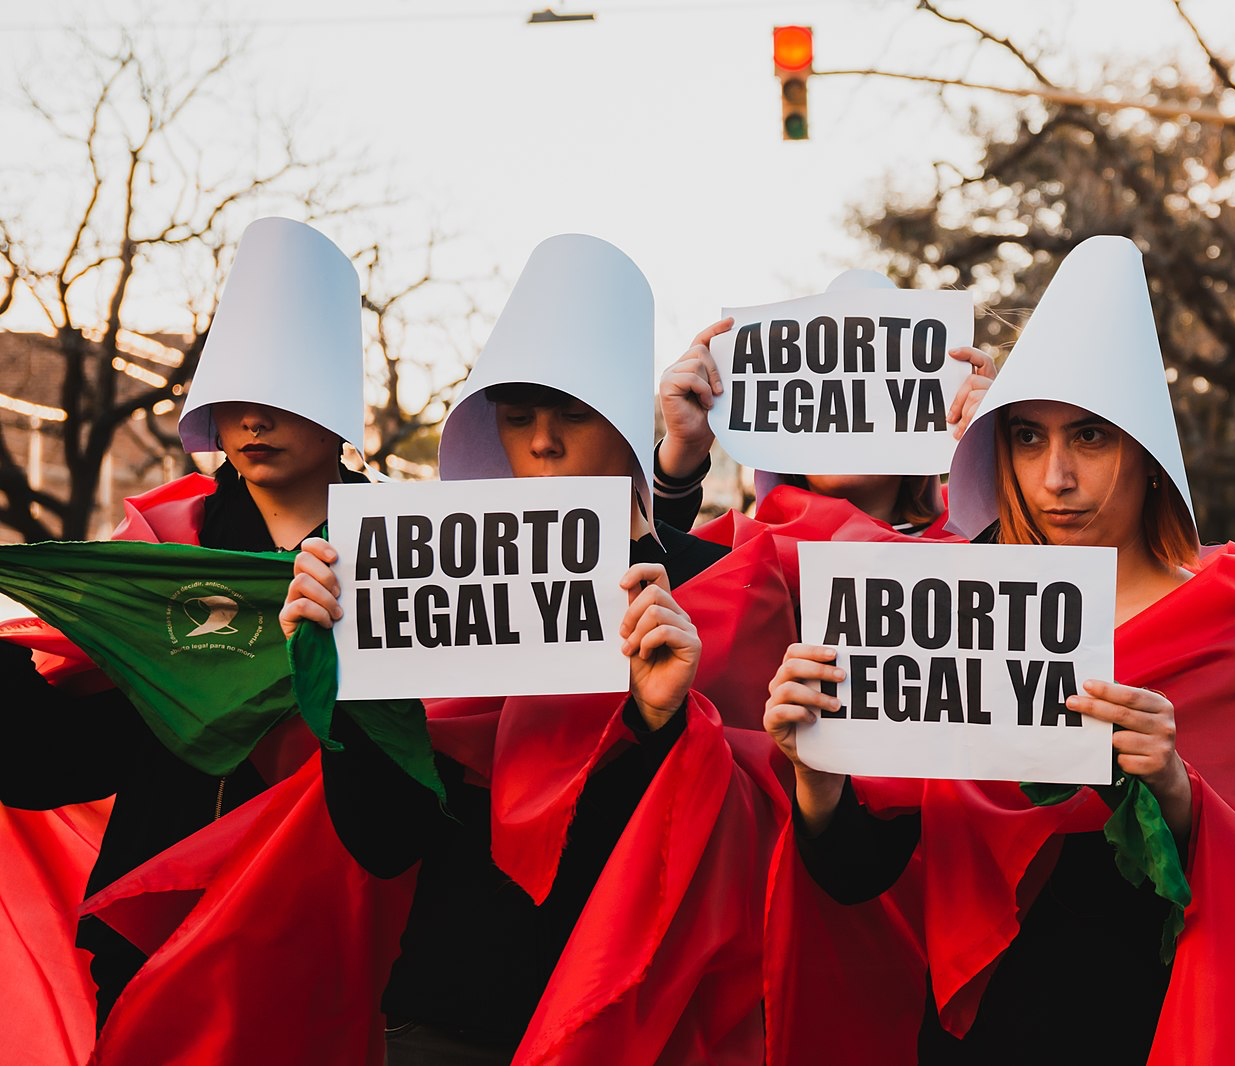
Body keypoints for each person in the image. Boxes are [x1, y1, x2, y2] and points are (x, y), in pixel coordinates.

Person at [760, 235, 1235, 1065]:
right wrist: (817, 774)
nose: (1056, 476)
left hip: (1148, 1028)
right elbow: (859, 871)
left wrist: (1174, 788)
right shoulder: (946, 603)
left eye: (1090, 439)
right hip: (968, 1038)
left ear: (1145, 456)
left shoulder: (1226, 625)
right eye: (1028, 438)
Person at [281, 233, 785, 1065]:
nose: (543, 443)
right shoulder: (425, 579)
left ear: (624, 423)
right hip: (445, 1022)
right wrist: (339, 679)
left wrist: (663, 725)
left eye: (572, 414)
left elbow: (737, 862)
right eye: (517, 419)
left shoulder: (718, 588)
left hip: (637, 1026)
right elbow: (383, 839)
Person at [0, 216, 367, 1029]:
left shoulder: (408, 557)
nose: (253, 416)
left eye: (282, 386)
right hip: (152, 958)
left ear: (336, 396)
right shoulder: (165, 552)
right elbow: (63, 756)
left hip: (333, 964)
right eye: (233, 388)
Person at [652, 268, 994, 536]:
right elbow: (623, 571)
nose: (850, 405)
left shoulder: (982, 546)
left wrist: (996, 443)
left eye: (874, 390)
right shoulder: (732, 554)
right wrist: (683, 452)